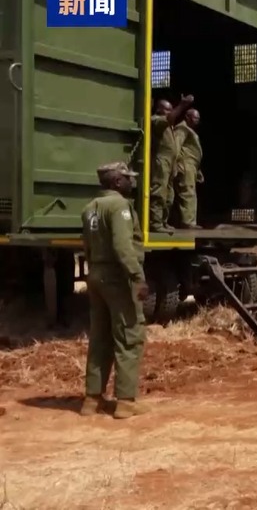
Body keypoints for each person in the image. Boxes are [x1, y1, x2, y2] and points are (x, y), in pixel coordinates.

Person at [80, 162, 151, 420]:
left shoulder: (89, 208)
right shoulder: (119, 206)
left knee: (100, 338)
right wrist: (137, 277)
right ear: (117, 182)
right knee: (129, 335)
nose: (132, 182)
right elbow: (123, 246)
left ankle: (92, 399)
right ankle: (125, 402)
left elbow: (86, 245)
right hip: (117, 278)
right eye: (128, 178)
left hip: (96, 275)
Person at [149, 95, 194, 232]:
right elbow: (168, 119)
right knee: (159, 192)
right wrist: (182, 105)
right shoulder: (156, 120)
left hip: (171, 162)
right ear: (159, 110)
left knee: (169, 195)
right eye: (167, 110)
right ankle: (155, 223)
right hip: (161, 161)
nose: (170, 112)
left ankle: (163, 221)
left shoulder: (169, 125)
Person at [172, 109, 204, 229]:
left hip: (192, 166)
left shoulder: (188, 130)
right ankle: (188, 222)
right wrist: (176, 165)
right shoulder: (182, 129)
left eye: (198, 118)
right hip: (185, 165)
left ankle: (188, 221)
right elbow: (175, 147)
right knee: (187, 192)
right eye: (195, 118)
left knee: (189, 192)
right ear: (187, 117)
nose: (197, 121)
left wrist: (198, 170)